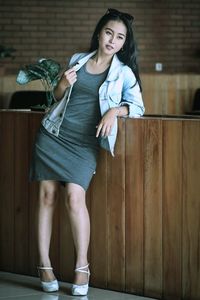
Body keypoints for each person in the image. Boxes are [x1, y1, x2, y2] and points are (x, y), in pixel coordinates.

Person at [30, 8, 145, 296]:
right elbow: (58, 97)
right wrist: (61, 84)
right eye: (109, 33)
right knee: (47, 196)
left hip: (84, 145)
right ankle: (44, 264)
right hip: (53, 136)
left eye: (119, 37)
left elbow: (139, 108)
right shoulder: (77, 61)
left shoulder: (123, 73)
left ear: (123, 44)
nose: (112, 40)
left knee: (73, 197)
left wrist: (115, 112)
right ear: (99, 33)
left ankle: (82, 266)